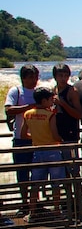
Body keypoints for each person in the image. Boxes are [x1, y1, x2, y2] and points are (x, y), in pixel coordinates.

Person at [19, 87, 66, 221]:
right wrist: (61, 140)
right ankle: (57, 211)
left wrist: (35, 137)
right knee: (56, 183)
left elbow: (23, 134)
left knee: (35, 183)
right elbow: (55, 134)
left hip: (37, 150)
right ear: (44, 100)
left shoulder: (28, 114)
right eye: (50, 99)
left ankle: (32, 212)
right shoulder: (49, 115)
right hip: (52, 150)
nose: (52, 102)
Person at [5, 64, 41, 214]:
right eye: (31, 77)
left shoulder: (40, 92)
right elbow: (9, 109)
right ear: (23, 78)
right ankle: (24, 203)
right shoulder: (16, 91)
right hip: (20, 139)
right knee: (22, 173)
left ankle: (36, 203)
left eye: (36, 77)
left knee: (38, 173)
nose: (34, 80)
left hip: (38, 139)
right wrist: (29, 107)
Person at [51, 63, 82, 155]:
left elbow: (79, 114)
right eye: (60, 76)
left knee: (72, 165)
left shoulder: (72, 92)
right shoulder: (53, 90)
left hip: (70, 133)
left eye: (66, 76)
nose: (63, 79)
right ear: (55, 77)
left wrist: (63, 103)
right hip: (56, 133)